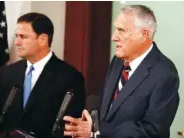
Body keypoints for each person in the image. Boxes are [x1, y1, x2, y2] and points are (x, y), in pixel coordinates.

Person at [63, 4, 180, 138]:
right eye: (115, 29)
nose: (114, 37)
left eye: (121, 30)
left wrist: (97, 132)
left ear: (143, 35)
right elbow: (106, 109)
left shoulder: (165, 74)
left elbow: (152, 131)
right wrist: (89, 125)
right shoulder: (118, 61)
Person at [0, 12, 86, 138]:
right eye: (16, 36)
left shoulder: (70, 77)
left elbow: (68, 129)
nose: (17, 42)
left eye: (23, 37)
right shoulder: (8, 72)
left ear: (43, 39)